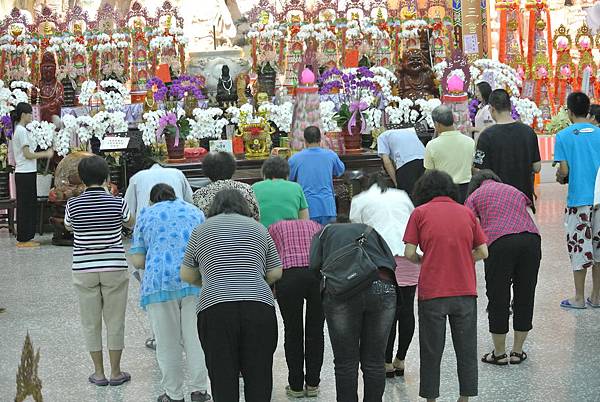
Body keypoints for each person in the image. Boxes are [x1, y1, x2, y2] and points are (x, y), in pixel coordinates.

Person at [181, 189, 282, 402]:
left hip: (215, 308)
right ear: (244, 207)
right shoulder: (259, 229)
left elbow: (186, 273)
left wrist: (209, 281)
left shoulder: (200, 231)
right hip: (258, 308)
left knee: (222, 376)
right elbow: (275, 272)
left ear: (214, 208)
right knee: (259, 374)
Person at [404, 170, 488, 402]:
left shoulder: (419, 213)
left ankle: (431, 398)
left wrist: (426, 259)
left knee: (432, 350)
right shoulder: (466, 213)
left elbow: (409, 252)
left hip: (433, 292)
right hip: (465, 291)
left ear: (423, 191)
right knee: (466, 348)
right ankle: (465, 397)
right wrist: (461, 257)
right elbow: (483, 251)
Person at [129, 184, 211, 402]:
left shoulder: (147, 213)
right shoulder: (195, 211)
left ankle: (173, 394)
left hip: (159, 284)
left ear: (152, 200)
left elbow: (137, 259)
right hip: (194, 280)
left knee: (167, 342)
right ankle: (199, 391)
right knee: (196, 339)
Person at [310, 219, 397, 402]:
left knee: (345, 363)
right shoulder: (370, 229)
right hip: (382, 287)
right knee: (375, 362)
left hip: (342, 293)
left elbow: (314, 265)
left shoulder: (325, 232)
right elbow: (390, 262)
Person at [64, 155, 132, 387]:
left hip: (84, 269)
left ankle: (98, 372)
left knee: (90, 322)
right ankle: (116, 372)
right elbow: (129, 222)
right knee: (115, 321)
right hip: (114, 266)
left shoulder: (73, 204)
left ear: (81, 179)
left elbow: (69, 226)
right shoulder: (117, 202)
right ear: (106, 177)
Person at [465, 170, 541, 365]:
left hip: (499, 243)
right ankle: (517, 352)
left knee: (498, 296)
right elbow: (528, 206)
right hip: (531, 240)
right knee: (525, 293)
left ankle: (499, 354)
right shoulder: (512, 189)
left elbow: (467, 222)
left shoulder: (474, 196)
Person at [349, 172, 420, 378]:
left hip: (382, 258)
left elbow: (357, 232)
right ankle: (401, 359)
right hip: (408, 253)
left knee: (386, 311)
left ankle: (386, 361)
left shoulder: (360, 200)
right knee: (406, 309)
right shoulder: (402, 195)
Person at [268, 219, 324, 398]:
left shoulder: (275, 227)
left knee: (293, 330)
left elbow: (271, 256)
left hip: (288, 276)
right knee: (315, 330)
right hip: (316, 275)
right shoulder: (315, 225)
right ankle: (313, 384)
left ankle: (296, 386)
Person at [554, 92, 600, 309]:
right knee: (599, 248)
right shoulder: (599, 134)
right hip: (599, 198)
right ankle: (597, 296)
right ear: (588, 110)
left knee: (579, 247)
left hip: (578, 200)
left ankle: (579, 297)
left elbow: (564, 171)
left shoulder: (563, 136)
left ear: (569, 111)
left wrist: (561, 176)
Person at [473, 89, 541, 209]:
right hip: (524, 199)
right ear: (510, 107)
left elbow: (479, 171)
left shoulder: (486, 135)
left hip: (497, 202)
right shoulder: (528, 132)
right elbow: (537, 167)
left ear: (492, 109)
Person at [11, 102, 54, 248]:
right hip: (24, 173)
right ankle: (23, 238)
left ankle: (26, 237)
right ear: (23, 115)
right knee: (25, 206)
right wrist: (45, 154)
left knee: (29, 205)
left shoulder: (21, 130)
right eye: (30, 113)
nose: (31, 116)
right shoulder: (21, 131)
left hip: (27, 173)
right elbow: (27, 154)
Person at [289, 126, 345, 225]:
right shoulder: (331, 155)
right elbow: (340, 171)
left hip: (306, 209)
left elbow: (289, 180)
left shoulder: (295, 159)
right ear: (320, 139)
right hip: (328, 208)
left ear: (305, 141)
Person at [425, 105, 475, 203]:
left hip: (443, 191)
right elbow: (474, 167)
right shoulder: (470, 141)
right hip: (467, 189)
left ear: (436, 124)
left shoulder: (432, 145)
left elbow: (429, 174)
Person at [192, 151, 260, 220]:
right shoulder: (247, 189)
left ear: (206, 171)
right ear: (233, 168)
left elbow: (197, 222)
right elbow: (256, 217)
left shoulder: (198, 195)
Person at [124, 156, 193, 223]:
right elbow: (191, 201)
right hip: (178, 221)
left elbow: (128, 212)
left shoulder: (137, 177)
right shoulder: (177, 173)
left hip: (147, 224)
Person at [252, 156, 309, 227]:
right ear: (287, 175)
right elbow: (305, 221)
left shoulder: (254, 187)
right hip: (289, 234)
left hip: (263, 234)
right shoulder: (296, 187)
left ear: (264, 175)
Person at [377, 127, 426, 196]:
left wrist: (396, 182)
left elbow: (387, 162)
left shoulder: (382, 136)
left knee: (408, 196)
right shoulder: (409, 131)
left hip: (406, 164)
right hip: (424, 161)